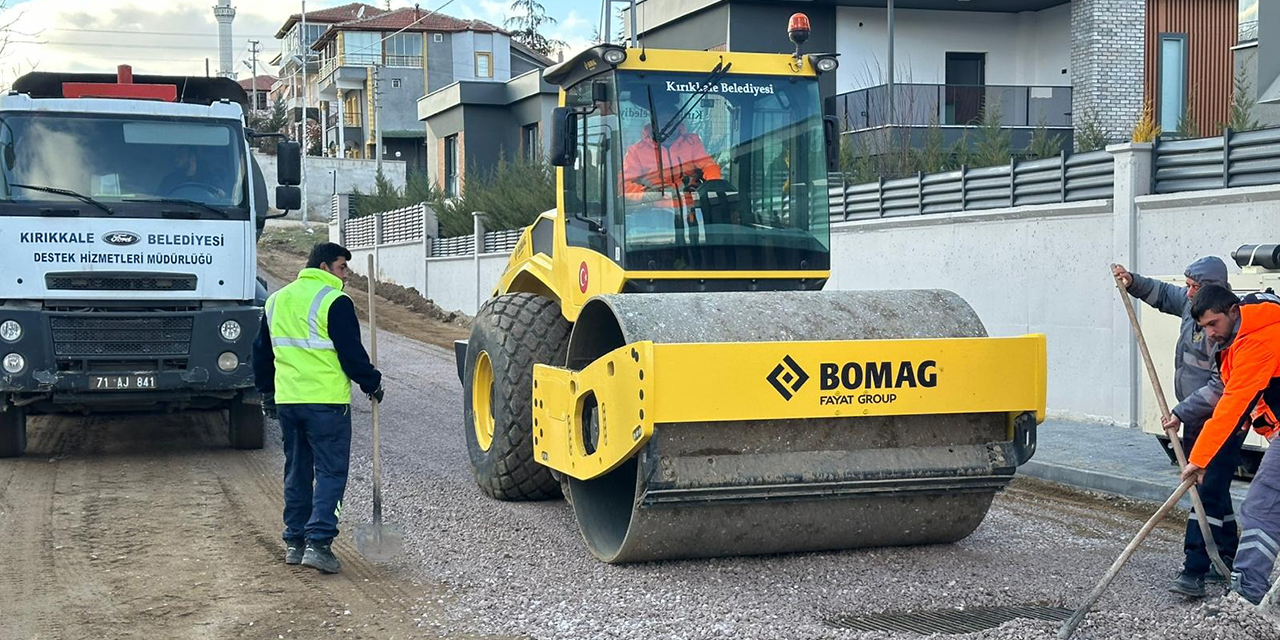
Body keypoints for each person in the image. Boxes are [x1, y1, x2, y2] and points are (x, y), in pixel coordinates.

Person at [1113, 257, 1245, 597]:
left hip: (1223, 421)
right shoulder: (1194, 306)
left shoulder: (1226, 329)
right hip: (1195, 420)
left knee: (1203, 487)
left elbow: (1220, 388)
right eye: (1186, 286)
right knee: (1214, 487)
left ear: (1211, 289)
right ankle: (1228, 553)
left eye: (1192, 287)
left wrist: (1180, 412)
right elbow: (1161, 293)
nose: (1185, 293)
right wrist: (1133, 281)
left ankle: (1195, 569)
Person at [253, 242, 384, 574]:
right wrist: (372, 382)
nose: (346, 275)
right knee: (330, 472)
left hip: (289, 403)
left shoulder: (276, 300)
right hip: (326, 404)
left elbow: (262, 354)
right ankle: (319, 544)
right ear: (324, 267)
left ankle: (295, 542)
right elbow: (350, 353)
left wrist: (267, 393)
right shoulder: (335, 301)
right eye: (342, 267)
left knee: (297, 471)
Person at [1180, 285, 1280, 606]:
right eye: (1204, 327)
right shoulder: (1244, 334)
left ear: (1233, 312)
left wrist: (1200, 458)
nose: (1209, 334)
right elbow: (1254, 399)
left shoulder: (1258, 342)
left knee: (1261, 505)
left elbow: (1234, 400)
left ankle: (1247, 593)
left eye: (1214, 324)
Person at [621, 91, 723, 213]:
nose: (668, 128)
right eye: (664, 124)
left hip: (690, 208)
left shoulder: (692, 143)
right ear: (653, 125)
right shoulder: (636, 151)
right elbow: (624, 185)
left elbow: (708, 165)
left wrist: (713, 183)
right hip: (654, 212)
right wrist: (645, 195)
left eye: (673, 124)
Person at [157, 146, 226, 198]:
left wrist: (221, 194)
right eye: (175, 157)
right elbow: (160, 198)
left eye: (180, 156)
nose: (176, 160)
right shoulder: (169, 179)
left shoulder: (211, 179)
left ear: (192, 158)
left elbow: (224, 197)